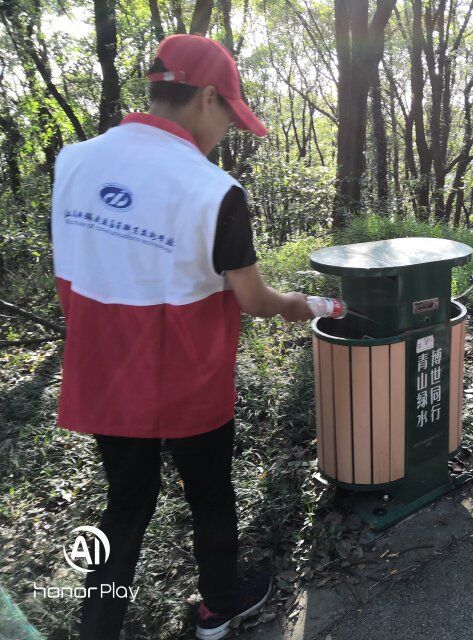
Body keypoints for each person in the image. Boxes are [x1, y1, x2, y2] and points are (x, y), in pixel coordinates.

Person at [50, 34, 314, 639]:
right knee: (210, 494)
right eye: (230, 117)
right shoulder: (214, 189)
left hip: (107, 374)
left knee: (126, 506)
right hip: (189, 378)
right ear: (208, 98)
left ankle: (98, 628)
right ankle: (219, 605)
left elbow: (76, 267)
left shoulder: (74, 162)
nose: (226, 131)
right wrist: (296, 306)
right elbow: (253, 299)